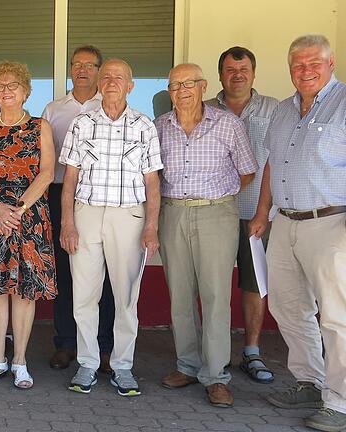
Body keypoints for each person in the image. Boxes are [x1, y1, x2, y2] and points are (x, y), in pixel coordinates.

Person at [249, 34, 346, 432]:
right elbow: (274, 163)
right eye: (298, 65)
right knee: (288, 306)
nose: (305, 72)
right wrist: (262, 213)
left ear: (331, 63)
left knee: (337, 317)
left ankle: (339, 403)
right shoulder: (285, 110)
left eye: (313, 64)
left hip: (332, 223)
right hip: (285, 221)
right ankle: (309, 381)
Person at [155, 63, 257, 408]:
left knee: (215, 296)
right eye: (174, 86)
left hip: (216, 212)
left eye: (188, 84)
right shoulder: (159, 127)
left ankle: (216, 376)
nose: (181, 90)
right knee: (180, 294)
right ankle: (187, 365)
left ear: (203, 86)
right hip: (172, 213)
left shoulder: (227, 124)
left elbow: (246, 172)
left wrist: (217, 195)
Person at [60, 59, 162, 396]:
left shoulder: (144, 126)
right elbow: (70, 179)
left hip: (129, 217)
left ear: (131, 85)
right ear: (100, 84)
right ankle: (87, 364)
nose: (111, 81)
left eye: (119, 77)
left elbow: (153, 184)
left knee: (126, 296)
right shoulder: (81, 123)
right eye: (107, 76)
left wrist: (151, 227)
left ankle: (122, 367)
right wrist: (67, 222)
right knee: (84, 294)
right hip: (87, 213)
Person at [0, 61, 56, 390]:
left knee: (24, 292)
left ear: (26, 91)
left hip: (27, 216)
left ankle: (20, 361)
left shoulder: (39, 126)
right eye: (0, 86)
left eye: (13, 85)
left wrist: (16, 209)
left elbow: (47, 172)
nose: (6, 91)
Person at [206, 46, 279, 384]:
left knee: (254, 284)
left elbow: (276, 164)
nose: (237, 75)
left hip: (255, 214)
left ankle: (251, 351)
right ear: (220, 74)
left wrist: (264, 210)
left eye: (244, 69)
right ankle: (211, 353)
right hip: (211, 215)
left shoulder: (275, 110)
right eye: (230, 69)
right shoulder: (204, 109)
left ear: (253, 72)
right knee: (211, 286)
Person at [42, 45, 115, 372]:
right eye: (77, 64)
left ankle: (102, 346)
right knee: (65, 271)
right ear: (70, 69)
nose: (82, 70)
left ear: (99, 70)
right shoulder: (54, 109)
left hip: (102, 198)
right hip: (61, 195)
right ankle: (66, 343)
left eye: (90, 65)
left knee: (104, 275)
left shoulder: (113, 107)